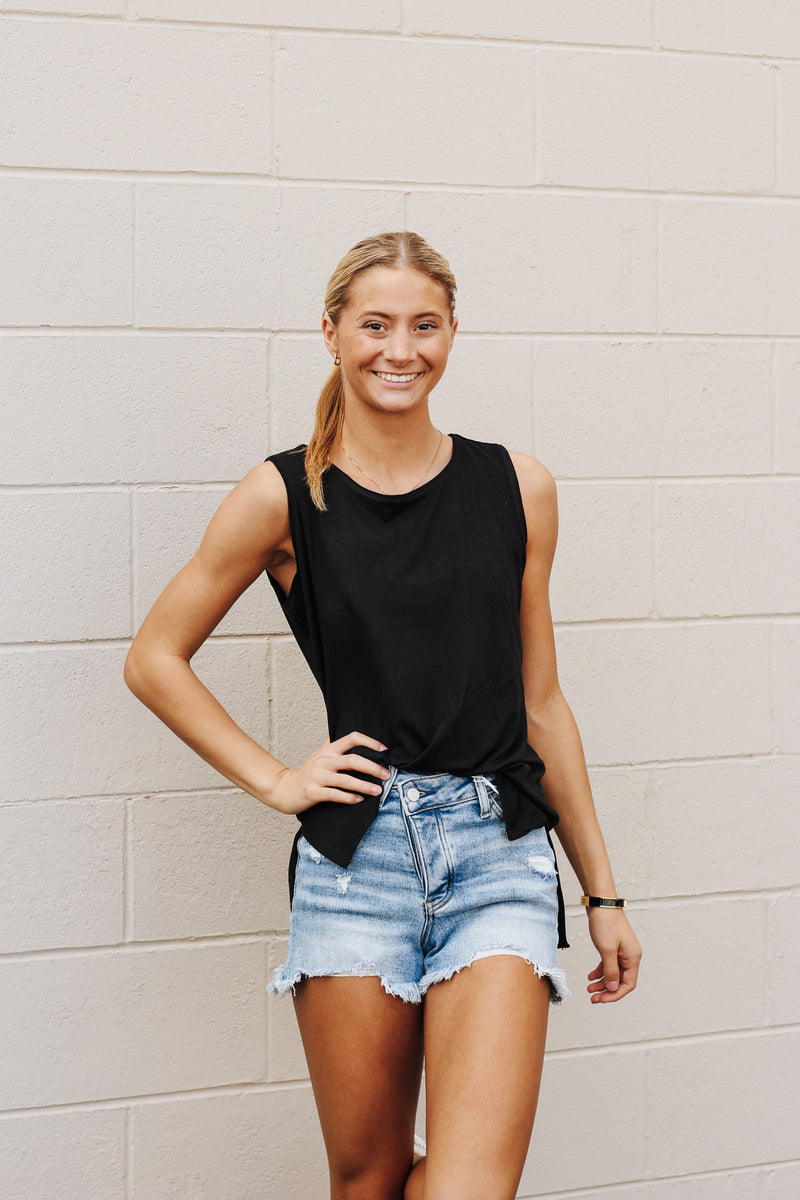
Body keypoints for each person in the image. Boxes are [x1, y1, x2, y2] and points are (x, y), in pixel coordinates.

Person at [124, 230, 642, 1200]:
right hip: (356, 860)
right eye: (374, 325)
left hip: (499, 853)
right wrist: (278, 780)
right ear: (330, 333)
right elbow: (154, 658)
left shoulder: (517, 487)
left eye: (423, 326)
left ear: (451, 334)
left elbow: (539, 703)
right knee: (366, 1180)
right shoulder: (282, 494)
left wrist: (601, 893)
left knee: (467, 1187)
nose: (399, 350)